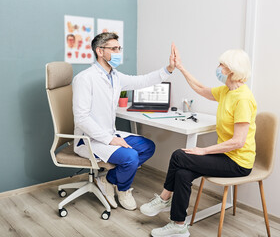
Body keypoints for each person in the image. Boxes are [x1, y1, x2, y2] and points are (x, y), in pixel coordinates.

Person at [140, 46, 257, 237]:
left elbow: (238, 142)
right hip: (225, 155)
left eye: (222, 65)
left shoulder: (243, 99)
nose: (218, 67)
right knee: (183, 173)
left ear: (233, 71)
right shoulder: (227, 91)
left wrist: (204, 151)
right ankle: (179, 225)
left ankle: (164, 198)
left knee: (179, 156)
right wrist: (181, 67)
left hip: (238, 162)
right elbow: (201, 89)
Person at [72, 32, 175, 211]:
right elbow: (81, 118)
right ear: (100, 51)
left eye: (119, 48)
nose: (118, 52)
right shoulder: (84, 78)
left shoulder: (115, 76)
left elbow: (142, 81)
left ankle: (108, 179)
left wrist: (168, 69)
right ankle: (123, 188)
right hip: (88, 140)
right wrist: (110, 140)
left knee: (147, 146)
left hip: (109, 134)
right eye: (113, 48)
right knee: (131, 156)